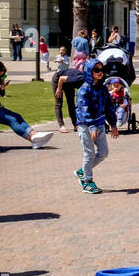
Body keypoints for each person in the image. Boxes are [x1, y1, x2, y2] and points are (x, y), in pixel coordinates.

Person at [0, 62, 54, 149]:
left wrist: (2, 86)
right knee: (11, 119)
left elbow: (0, 94)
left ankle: (35, 134)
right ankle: (33, 140)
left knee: (17, 116)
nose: (0, 75)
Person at [74, 58, 117, 193]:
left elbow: (109, 107)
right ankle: (87, 182)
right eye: (96, 70)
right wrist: (91, 126)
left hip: (99, 124)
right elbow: (83, 110)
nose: (100, 72)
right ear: (89, 71)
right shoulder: (84, 90)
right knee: (89, 154)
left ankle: (82, 171)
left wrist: (113, 124)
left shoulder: (103, 88)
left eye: (101, 70)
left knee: (103, 153)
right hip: (86, 126)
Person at [53, 54, 85, 134]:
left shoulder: (87, 82)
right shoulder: (80, 79)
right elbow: (61, 78)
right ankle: (61, 125)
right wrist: (59, 89)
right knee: (58, 102)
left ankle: (75, 124)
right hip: (59, 78)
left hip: (69, 82)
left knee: (71, 103)